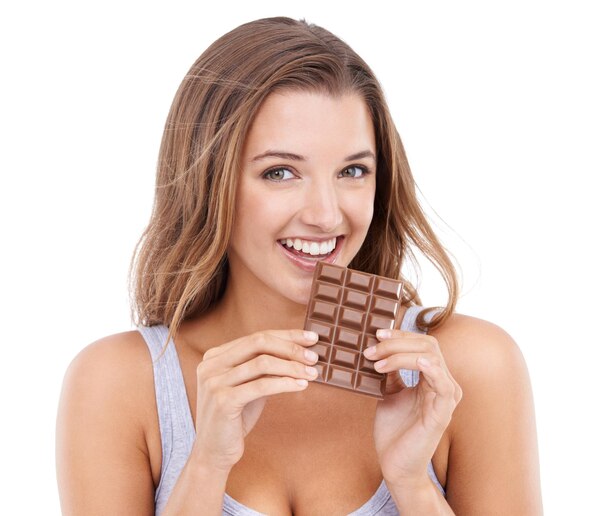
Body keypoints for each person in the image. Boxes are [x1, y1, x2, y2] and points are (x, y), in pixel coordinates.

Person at [56, 16, 542, 515]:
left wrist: (412, 483)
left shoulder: (468, 367)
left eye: (353, 171)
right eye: (281, 172)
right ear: (209, 183)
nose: (326, 215)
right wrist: (206, 466)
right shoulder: (117, 384)